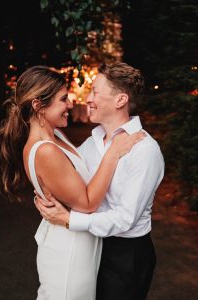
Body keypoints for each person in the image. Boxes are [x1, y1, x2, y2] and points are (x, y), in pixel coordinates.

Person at [0, 65, 145, 300]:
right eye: (63, 99)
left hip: (81, 242)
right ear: (38, 106)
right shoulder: (45, 150)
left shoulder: (55, 136)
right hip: (69, 250)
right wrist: (114, 152)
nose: (70, 104)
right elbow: (87, 203)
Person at [35, 62, 165, 300]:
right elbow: (76, 185)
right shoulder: (91, 143)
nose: (88, 99)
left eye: (95, 91)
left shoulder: (144, 149)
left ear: (120, 100)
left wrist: (69, 220)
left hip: (126, 255)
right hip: (93, 245)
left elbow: (126, 219)